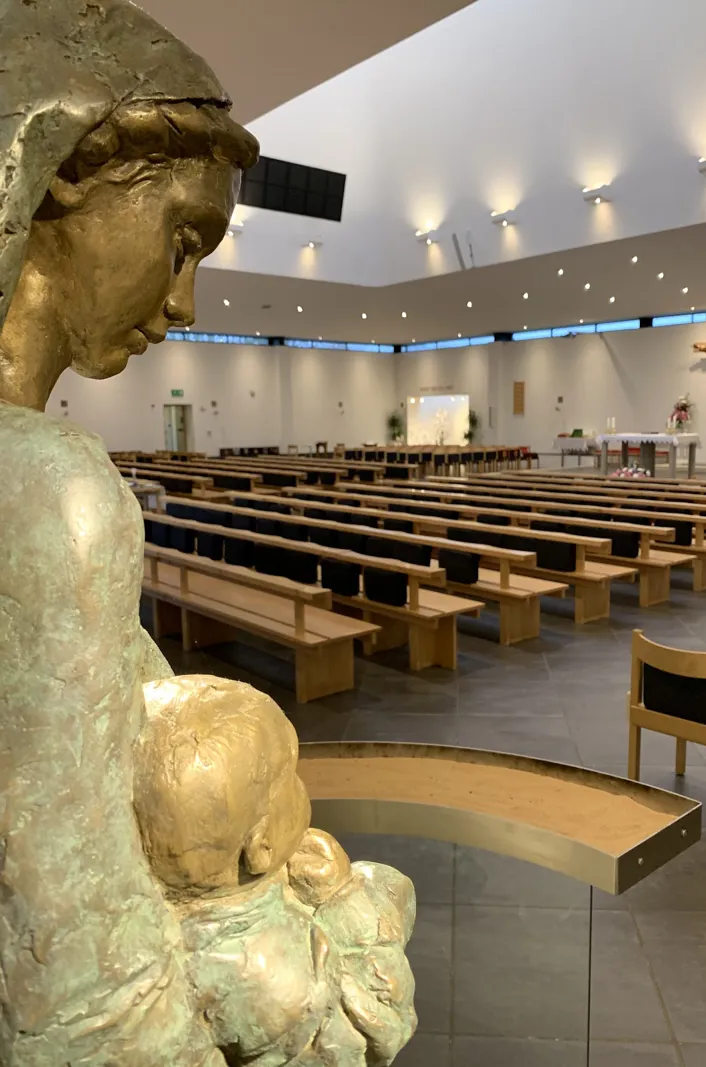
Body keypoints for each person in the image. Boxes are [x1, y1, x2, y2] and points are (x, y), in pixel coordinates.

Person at [0, 2, 260, 1063]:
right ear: (66, 173)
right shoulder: (49, 488)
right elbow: (88, 997)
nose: (185, 299)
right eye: (182, 238)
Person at [133, 677, 417, 1066]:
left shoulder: (169, 934)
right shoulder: (269, 971)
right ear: (261, 847)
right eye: (291, 779)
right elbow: (374, 1033)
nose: (302, 786)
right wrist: (342, 897)